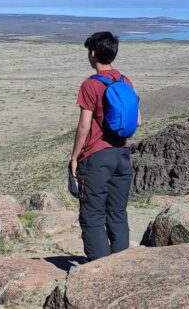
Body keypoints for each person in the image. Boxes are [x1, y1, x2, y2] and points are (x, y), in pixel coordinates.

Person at [69, 31, 141, 261]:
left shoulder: (90, 85)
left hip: (96, 157)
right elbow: (138, 120)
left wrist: (74, 157)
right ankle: (120, 265)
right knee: (117, 212)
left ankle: (98, 269)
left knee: (92, 214)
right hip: (122, 155)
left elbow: (84, 127)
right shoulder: (125, 81)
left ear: (92, 53)